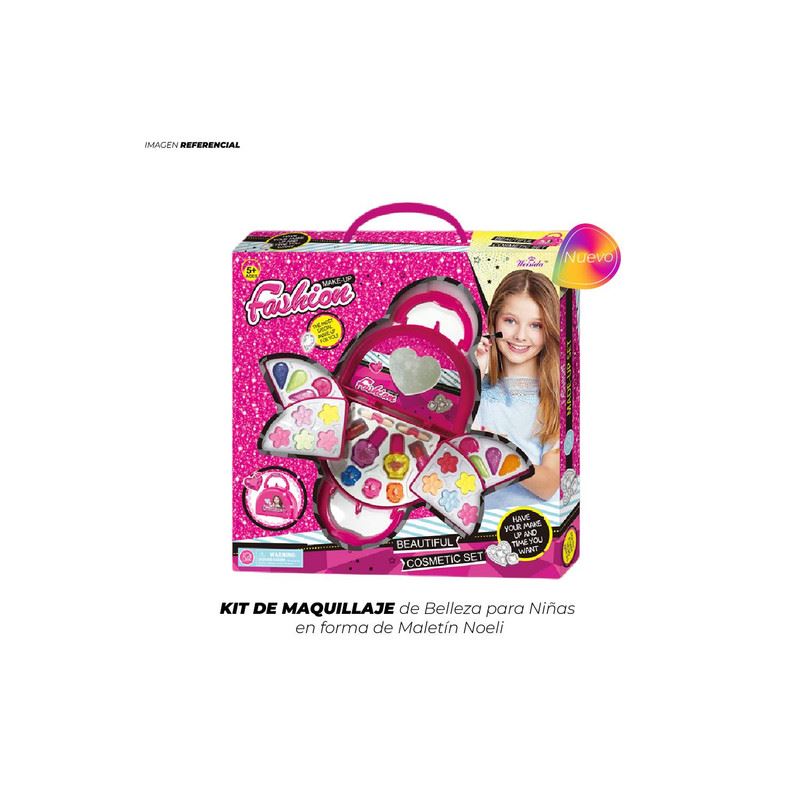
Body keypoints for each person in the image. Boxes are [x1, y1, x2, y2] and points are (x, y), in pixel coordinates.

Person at [473, 270, 561, 509]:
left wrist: (503, 451)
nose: (520, 336)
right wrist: (473, 373)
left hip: (532, 521)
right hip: (476, 521)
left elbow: (549, 485)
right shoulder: (476, 388)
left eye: (535, 325)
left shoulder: (554, 399)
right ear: (494, 319)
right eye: (510, 321)